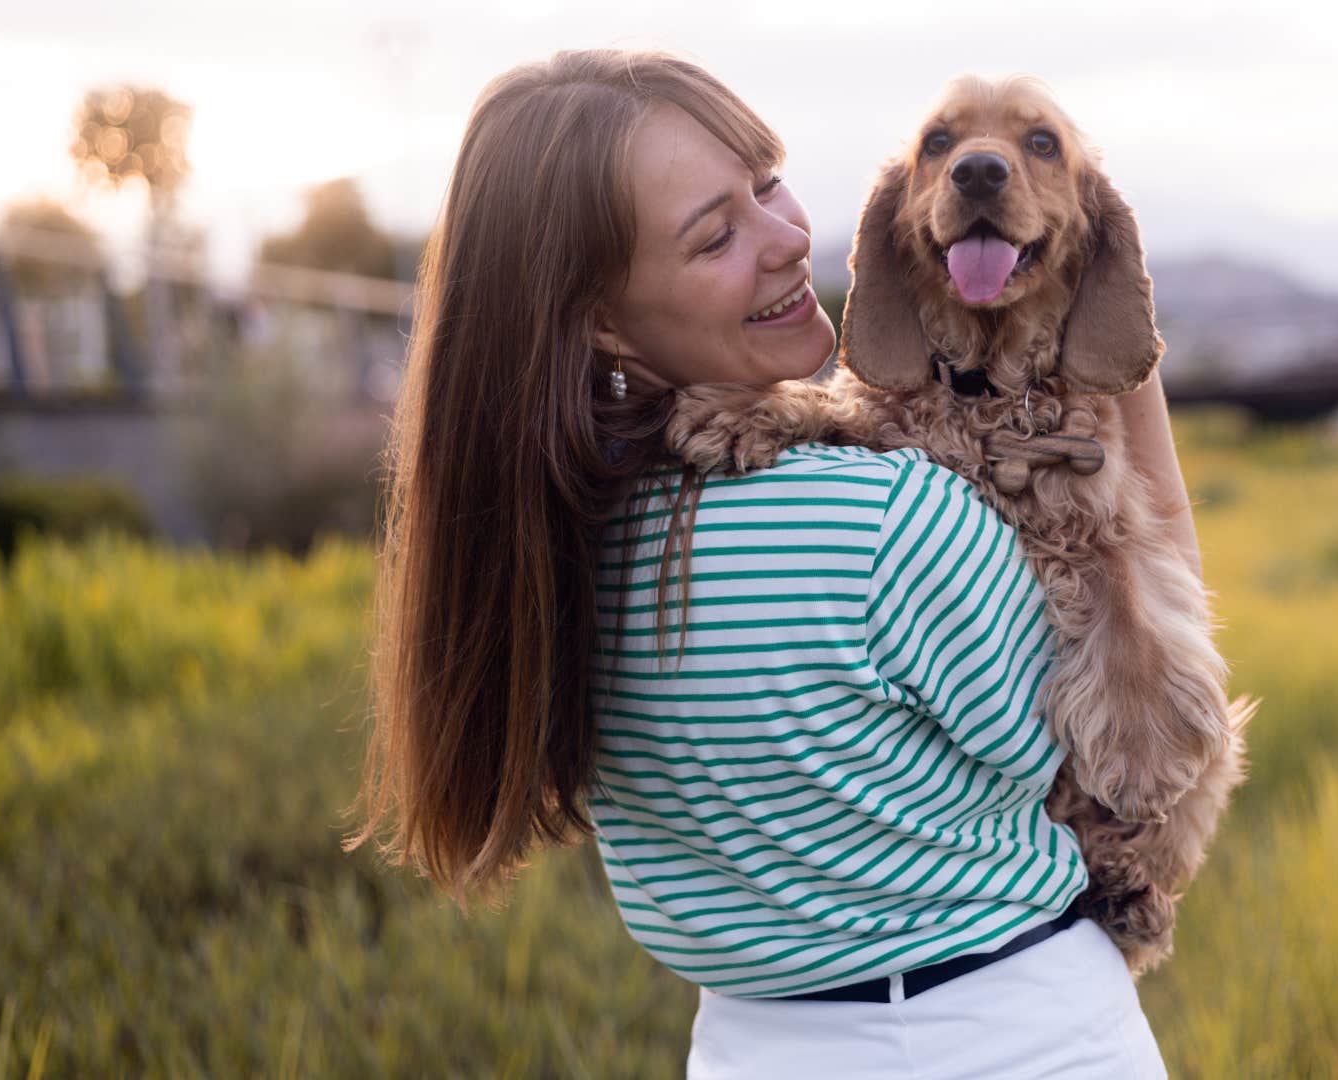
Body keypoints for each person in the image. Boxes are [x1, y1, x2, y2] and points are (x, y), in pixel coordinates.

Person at [346, 48, 1202, 1078]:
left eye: (768, 187)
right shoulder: (889, 521)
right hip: (1017, 1036)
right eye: (716, 235)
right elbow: (1112, 760)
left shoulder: (556, 537)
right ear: (601, 314)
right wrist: (1123, 383)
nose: (791, 239)